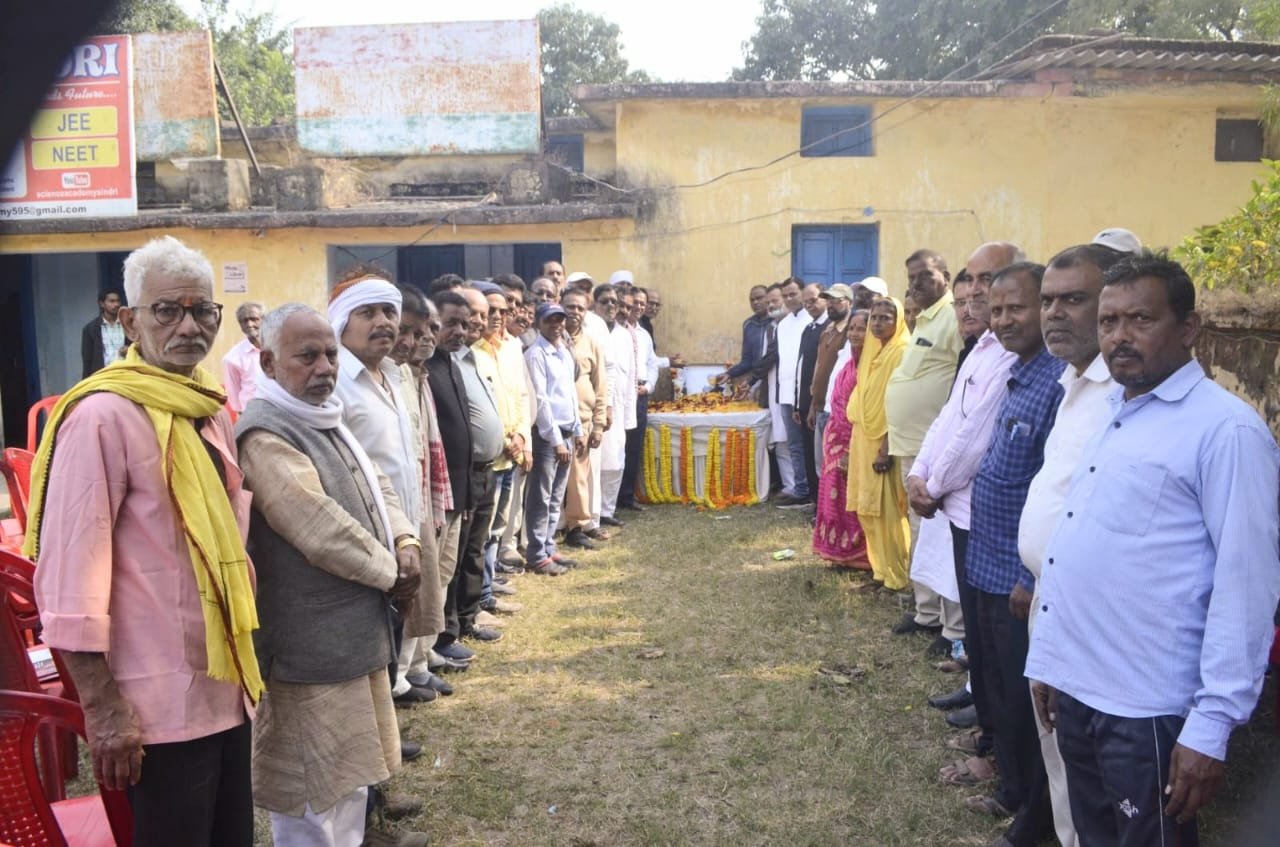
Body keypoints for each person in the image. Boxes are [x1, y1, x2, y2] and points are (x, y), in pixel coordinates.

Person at [1026, 253, 1280, 846]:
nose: (1119, 336)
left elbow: (1247, 587)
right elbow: (1080, 542)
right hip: (1079, 686)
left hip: (1147, 708)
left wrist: (1212, 725)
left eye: (1140, 319)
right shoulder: (1114, 410)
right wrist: (1052, 660)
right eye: (1109, 321)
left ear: (1188, 328)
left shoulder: (1226, 431)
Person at [30, 236, 259, 847]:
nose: (188, 326)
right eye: (166, 311)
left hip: (225, 683)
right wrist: (103, 706)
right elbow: (70, 581)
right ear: (130, 321)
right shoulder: (102, 416)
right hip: (153, 707)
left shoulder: (206, 406)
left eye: (201, 310)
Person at [236, 304, 421, 847]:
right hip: (307, 647)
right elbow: (319, 528)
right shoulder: (264, 434)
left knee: (350, 774)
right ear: (268, 363)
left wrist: (405, 539)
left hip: (350, 635)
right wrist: (392, 573)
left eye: (331, 355)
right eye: (307, 356)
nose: (324, 368)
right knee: (312, 791)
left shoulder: (323, 414)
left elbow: (376, 483)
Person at [1015, 240, 1129, 847]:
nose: (1054, 313)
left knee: (1100, 786)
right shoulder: (1072, 381)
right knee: (1061, 763)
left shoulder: (1125, 392)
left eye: (1074, 300)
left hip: (1102, 621)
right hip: (1052, 602)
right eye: (1049, 301)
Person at [961, 262, 1061, 847]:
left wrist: (1030, 573)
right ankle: (1012, 787)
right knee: (999, 688)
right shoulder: (1020, 372)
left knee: (1026, 706)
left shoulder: (1058, 383)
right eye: (996, 310)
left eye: (1015, 308)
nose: (1002, 320)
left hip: (1017, 577)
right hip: (988, 560)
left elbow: (1057, 492)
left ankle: (1030, 807)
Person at [906, 264, 1016, 766]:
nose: (970, 308)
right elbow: (948, 419)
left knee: (992, 633)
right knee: (977, 624)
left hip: (981, 512)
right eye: (963, 301)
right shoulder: (977, 350)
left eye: (981, 298)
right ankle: (982, 705)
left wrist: (931, 484)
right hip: (954, 502)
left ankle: (993, 733)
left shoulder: (1010, 356)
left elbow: (974, 437)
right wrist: (921, 473)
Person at [328, 274, 429, 715]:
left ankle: (385, 729)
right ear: (341, 323)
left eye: (389, 312)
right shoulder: (335, 382)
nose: (383, 322)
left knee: (391, 634)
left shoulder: (391, 374)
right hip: (364, 535)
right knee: (366, 644)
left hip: (402, 529)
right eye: (367, 313)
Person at [884, 248, 978, 642]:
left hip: (940, 450)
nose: (916, 284)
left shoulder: (953, 317)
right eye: (911, 278)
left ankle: (953, 626)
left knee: (942, 536)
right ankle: (927, 613)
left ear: (945, 276)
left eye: (925, 275)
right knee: (921, 533)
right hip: (912, 447)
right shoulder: (923, 319)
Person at [424, 290, 480, 669]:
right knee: (434, 575)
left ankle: (443, 638)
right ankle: (434, 643)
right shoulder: (424, 370)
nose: (459, 331)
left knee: (448, 570)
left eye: (464, 323)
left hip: (460, 489)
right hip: (436, 495)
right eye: (450, 323)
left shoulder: (451, 365)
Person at [845, 297, 912, 591]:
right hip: (862, 437)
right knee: (867, 510)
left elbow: (897, 406)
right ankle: (880, 572)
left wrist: (885, 447)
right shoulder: (873, 351)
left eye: (886, 317)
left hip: (885, 441)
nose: (878, 323)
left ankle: (898, 576)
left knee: (888, 513)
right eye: (874, 317)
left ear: (898, 321)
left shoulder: (902, 351)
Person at [524, 302, 587, 574]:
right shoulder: (536, 354)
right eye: (550, 320)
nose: (556, 325)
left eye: (559, 320)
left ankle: (549, 547)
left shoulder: (563, 351)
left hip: (567, 431)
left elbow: (570, 395)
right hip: (548, 435)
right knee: (541, 496)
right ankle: (537, 553)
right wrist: (556, 441)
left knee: (556, 495)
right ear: (539, 323)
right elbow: (541, 401)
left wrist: (578, 430)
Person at [812, 309, 869, 568]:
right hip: (835, 439)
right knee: (831, 497)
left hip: (854, 443)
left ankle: (859, 556)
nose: (855, 333)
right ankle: (837, 553)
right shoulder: (849, 362)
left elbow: (864, 410)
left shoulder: (872, 366)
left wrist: (849, 449)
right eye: (852, 328)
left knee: (851, 498)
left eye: (861, 329)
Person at [561, 288, 609, 550]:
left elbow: (600, 386)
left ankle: (577, 525)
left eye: (580, 308)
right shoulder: (552, 339)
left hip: (584, 420)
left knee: (580, 477)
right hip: (556, 422)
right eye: (570, 306)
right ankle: (559, 527)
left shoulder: (591, 343)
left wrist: (598, 425)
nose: (574, 312)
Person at [596, 283, 636, 527]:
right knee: (594, 463)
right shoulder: (590, 329)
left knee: (615, 461)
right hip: (596, 407)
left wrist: (630, 416)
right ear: (595, 304)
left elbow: (630, 377)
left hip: (619, 408)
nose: (611, 306)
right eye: (605, 301)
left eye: (614, 302)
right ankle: (591, 513)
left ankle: (607, 510)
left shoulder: (624, 335)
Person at [774, 277, 811, 507]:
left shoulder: (813, 320)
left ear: (802, 292)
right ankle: (801, 488)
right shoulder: (783, 324)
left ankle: (813, 491)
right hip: (786, 392)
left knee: (810, 444)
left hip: (806, 393)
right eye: (785, 295)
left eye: (793, 294)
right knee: (794, 444)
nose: (789, 299)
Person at [792, 282, 828, 509]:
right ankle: (814, 501)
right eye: (805, 302)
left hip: (820, 403)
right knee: (808, 454)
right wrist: (797, 404)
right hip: (805, 403)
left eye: (813, 300)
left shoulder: (830, 328)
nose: (809, 306)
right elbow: (801, 367)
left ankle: (823, 504)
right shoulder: (809, 328)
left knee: (821, 458)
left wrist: (814, 403)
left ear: (824, 298)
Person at [806, 283, 854, 454]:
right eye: (829, 301)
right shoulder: (827, 331)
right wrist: (813, 405)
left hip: (838, 411)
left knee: (835, 464)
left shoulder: (851, 332)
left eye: (837, 301)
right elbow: (818, 368)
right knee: (821, 464)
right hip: (820, 408)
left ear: (850, 302)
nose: (831, 305)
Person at [222, 301, 265, 413]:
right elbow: (234, 398)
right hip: (252, 415)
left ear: (264, 320)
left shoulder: (280, 348)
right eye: (244, 321)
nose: (249, 324)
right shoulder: (232, 358)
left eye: (254, 319)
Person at [722, 285, 770, 384]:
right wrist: (729, 373)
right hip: (755, 380)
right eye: (752, 300)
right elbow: (746, 361)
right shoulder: (748, 325)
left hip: (776, 378)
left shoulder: (778, 322)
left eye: (759, 298)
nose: (755, 302)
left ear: (769, 298)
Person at [80, 286, 126, 377]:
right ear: (102, 304)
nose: (116, 304)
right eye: (111, 301)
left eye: (118, 301)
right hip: (103, 377)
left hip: (125, 375)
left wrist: (130, 349)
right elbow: (87, 361)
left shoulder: (127, 325)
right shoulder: (91, 329)